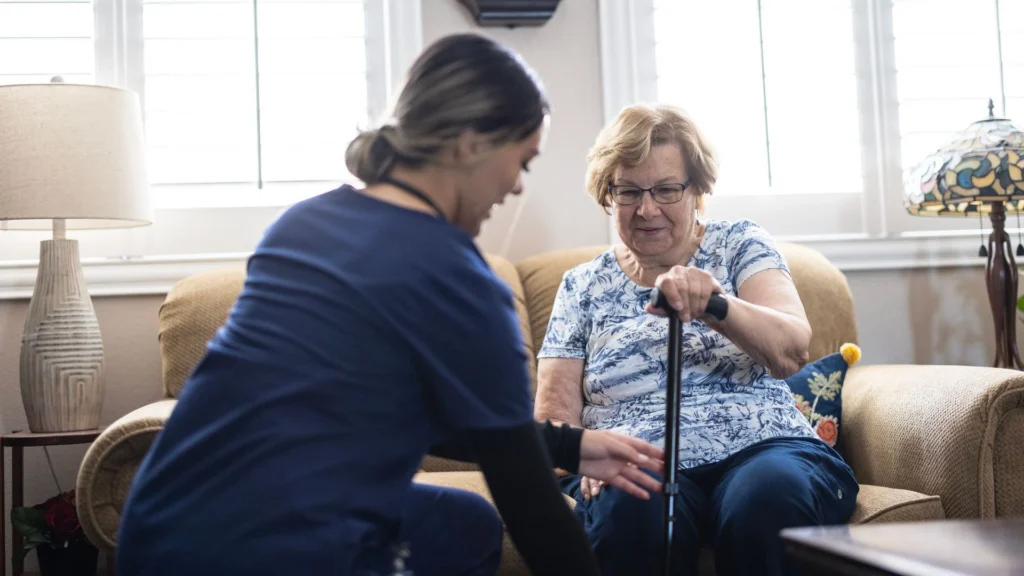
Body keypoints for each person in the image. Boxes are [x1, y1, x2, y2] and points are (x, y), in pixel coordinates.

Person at [117, 34, 668, 576]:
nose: (518, 187)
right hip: (277, 548)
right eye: (522, 161)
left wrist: (568, 445)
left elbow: (408, 415)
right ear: (472, 142)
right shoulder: (463, 283)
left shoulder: (303, 222)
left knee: (463, 525)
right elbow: (528, 501)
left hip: (158, 522)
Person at [534, 103, 860, 576]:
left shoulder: (740, 244)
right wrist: (592, 456)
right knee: (630, 507)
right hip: (633, 458)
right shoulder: (581, 287)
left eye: (666, 189)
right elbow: (553, 421)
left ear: (698, 189)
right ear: (609, 193)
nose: (647, 209)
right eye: (629, 192)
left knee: (768, 497)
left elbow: (791, 350)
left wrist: (716, 306)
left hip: (761, 446)